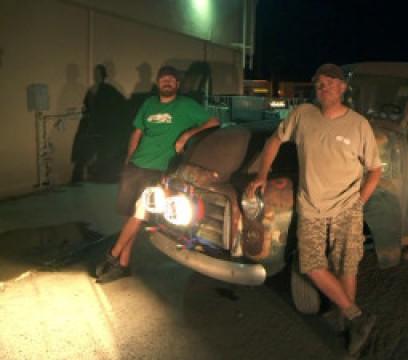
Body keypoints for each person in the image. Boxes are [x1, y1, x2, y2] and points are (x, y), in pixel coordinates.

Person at [246, 63, 382, 355]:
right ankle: (357, 316)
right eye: (320, 83)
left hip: (347, 207)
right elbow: (274, 141)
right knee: (311, 263)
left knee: (345, 263)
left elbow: (375, 170)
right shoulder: (302, 115)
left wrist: (359, 202)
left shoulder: (358, 124)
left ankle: (347, 324)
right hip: (311, 207)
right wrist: (261, 175)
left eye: (332, 82)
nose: (325, 86)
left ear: (343, 88)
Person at [96, 65, 220, 283]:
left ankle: (112, 256)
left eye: (172, 80)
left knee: (140, 213)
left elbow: (214, 121)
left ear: (178, 85)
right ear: (158, 83)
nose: (168, 82)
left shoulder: (186, 106)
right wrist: (128, 158)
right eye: (164, 79)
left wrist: (188, 134)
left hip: (158, 170)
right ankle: (124, 265)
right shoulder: (148, 104)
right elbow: (137, 132)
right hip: (135, 165)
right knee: (129, 216)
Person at [71, 64, 125, 183]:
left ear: (103, 75)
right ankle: (79, 176)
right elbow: (86, 106)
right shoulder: (91, 90)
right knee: (83, 148)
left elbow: (119, 104)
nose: (96, 76)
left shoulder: (109, 89)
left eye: (98, 73)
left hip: (103, 127)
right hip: (90, 124)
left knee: (102, 151)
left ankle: (100, 176)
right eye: (94, 73)